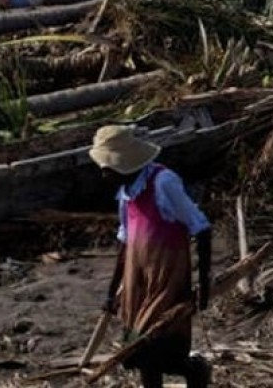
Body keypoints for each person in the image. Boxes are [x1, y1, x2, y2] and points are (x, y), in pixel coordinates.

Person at [90, 124, 214, 388]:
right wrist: (112, 293)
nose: (103, 174)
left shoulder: (163, 183)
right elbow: (125, 242)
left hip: (166, 280)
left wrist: (203, 285)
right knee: (137, 356)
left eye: (107, 167)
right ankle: (187, 371)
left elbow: (201, 228)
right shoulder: (125, 193)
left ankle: (195, 370)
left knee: (153, 347)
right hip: (138, 282)